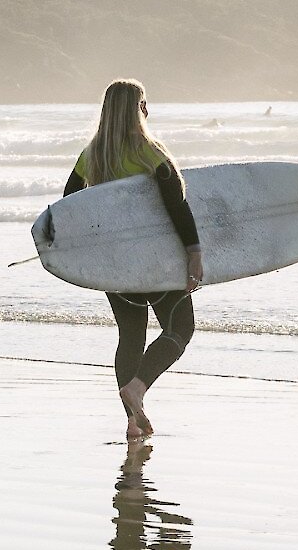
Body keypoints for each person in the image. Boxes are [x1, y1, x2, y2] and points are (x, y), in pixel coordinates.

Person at [63, 80, 203, 442]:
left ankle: (132, 419)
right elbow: (177, 205)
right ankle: (138, 388)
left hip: (115, 268)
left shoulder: (91, 155)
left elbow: (69, 206)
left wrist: (89, 255)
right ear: (138, 108)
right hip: (156, 264)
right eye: (145, 101)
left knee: (130, 335)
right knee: (180, 329)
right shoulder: (150, 153)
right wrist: (194, 253)